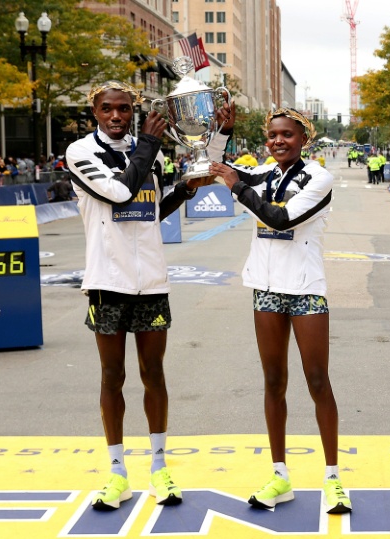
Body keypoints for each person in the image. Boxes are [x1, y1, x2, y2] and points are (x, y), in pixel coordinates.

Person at [65, 80, 234, 511]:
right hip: (107, 281)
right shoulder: (82, 153)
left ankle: (158, 465)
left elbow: (152, 210)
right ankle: (117, 471)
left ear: (133, 110)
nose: (116, 116)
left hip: (152, 282)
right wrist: (150, 144)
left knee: (154, 373)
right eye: (108, 109)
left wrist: (216, 143)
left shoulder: (150, 151)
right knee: (112, 376)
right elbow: (120, 193)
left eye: (123, 108)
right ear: (95, 113)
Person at [208, 107, 352, 515]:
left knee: (318, 380)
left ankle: (333, 478)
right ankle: (280, 475)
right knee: (273, 381)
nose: (278, 142)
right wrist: (225, 130)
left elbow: (280, 216)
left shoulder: (319, 178)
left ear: (303, 138)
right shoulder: (265, 173)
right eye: (272, 135)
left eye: (287, 135)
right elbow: (214, 166)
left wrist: (237, 187)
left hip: (305, 288)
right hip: (266, 287)